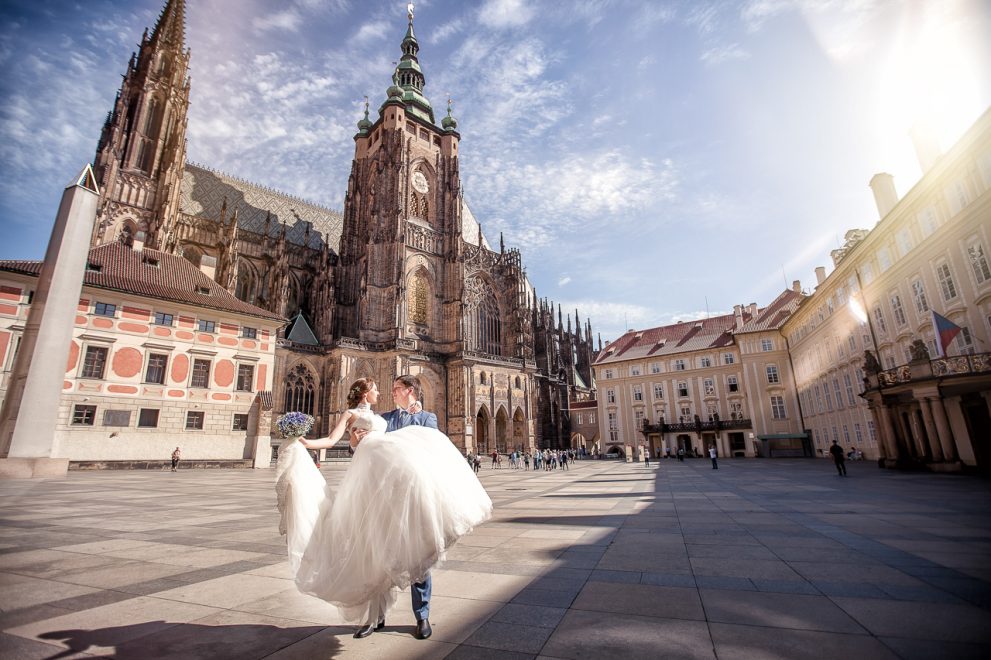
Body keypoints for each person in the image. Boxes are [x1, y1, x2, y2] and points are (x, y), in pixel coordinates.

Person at [276, 376, 491, 642]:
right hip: (381, 493)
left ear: (409, 391)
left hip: (416, 495)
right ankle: (374, 617)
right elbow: (362, 444)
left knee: (419, 553)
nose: (390, 393)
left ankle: (421, 616)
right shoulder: (385, 417)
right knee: (374, 548)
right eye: (383, 389)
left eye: (396, 389)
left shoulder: (427, 418)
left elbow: (435, 451)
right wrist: (353, 440)